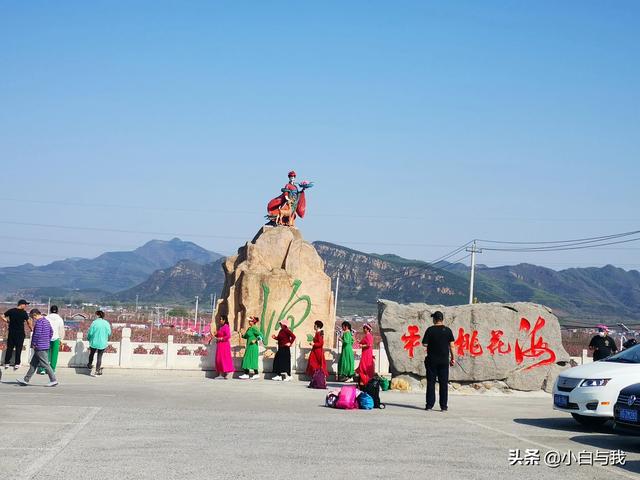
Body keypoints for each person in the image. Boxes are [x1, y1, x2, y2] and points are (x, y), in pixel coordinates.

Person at [421, 311, 455, 412]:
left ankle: (429, 405)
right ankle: (443, 406)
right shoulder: (448, 330)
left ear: (434, 319)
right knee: (443, 383)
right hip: (444, 360)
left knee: (431, 383)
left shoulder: (430, 330)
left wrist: (433, 343)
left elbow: (424, 344)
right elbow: (452, 345)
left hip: (432, 360)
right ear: (442, 319)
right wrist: (453, 358)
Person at [16, 309, 57, 387]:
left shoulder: (39, 323)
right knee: (33, 364)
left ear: (35, 315)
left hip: (39, 346)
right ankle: (25, 380)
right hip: (45, 345)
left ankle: (53, 380)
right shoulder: (46, 321)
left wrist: (34, 344)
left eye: (33, 317)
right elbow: (51, 332)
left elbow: (36, 335)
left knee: (45, 364)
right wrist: (46, 340)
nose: (33, 319)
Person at [2, 299, 32, 370]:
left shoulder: (11, 311)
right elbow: (28, 322)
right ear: (21, 304)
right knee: (18, 348)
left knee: (10, 348)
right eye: (25, 305)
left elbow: (2, 316)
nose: (26, 306)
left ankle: (6, 363)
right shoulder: (24, 313)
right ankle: (17, 363)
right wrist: (31, 329)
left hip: (11, 332)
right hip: (20, 333)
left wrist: (8, 321)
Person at [38, 305, 65, 374]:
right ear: (57, 311)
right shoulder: (60, 319)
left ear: (50, 310)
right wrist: (61, 340)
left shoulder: (46, 318)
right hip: (56, 338)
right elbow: (61, 330)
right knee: (54, 355)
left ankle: (43, 369)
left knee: (45, 354)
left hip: (46, 338)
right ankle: (52, 369)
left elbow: (43, 327)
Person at [87, 310, 112, 376]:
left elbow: (90, 333)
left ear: (98, 315)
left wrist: (88, 338)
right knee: (99, 357)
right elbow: (109, 333)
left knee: (92, 354)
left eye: (95, 314)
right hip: (102, 343)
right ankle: (97, 371)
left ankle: (89, 364)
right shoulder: (106, 323)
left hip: (94, 342)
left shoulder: (94, 323)